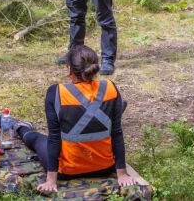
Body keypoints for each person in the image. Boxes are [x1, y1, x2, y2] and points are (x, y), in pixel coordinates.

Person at [12, 45, 136, 193]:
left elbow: (54, 138)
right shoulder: (110, 87)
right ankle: (21, 128)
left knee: (38, 139)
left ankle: (20, 127)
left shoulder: (56, 92)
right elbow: (117, 132)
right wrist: (121, 174)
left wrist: (51, 181)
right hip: (105, 168)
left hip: (67, 171)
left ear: (69, 69)